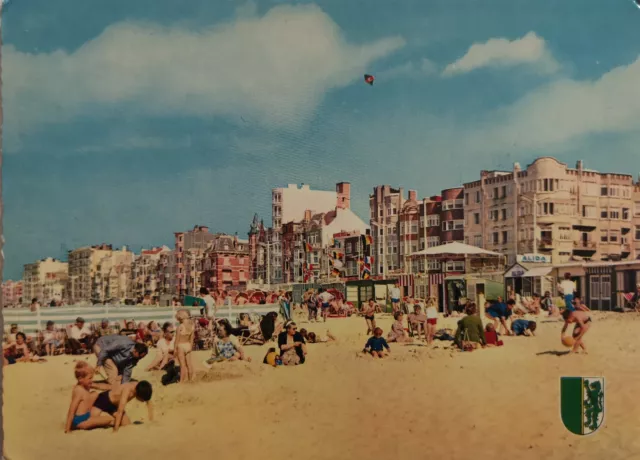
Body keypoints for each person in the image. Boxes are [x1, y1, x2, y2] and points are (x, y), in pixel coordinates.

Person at [65, 363, 114, 432]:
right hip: (80, 421)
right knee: (110, 419)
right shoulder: (78, 390)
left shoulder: (85, 385)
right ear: (80, 379)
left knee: (94, 393)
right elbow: (71, 410)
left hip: (86, 416)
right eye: (90, 378)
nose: (91, 380)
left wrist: (112, 387)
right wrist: (67, 429)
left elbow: (99, 386)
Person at [175, 309, 195, 383]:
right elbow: (192, 339)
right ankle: (191, 379)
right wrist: (190, 347)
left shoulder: (180, 327)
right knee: (189, 364)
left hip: (181, 345)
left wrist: (175, 349)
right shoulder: (192, 326)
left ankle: (181, 381)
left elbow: (177, 340)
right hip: (188, 345)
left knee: (182, 365)